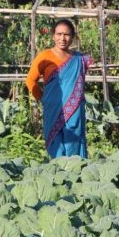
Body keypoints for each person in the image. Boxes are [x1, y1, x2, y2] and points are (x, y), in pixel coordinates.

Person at [25, 19, 92, 158]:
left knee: (74, 143)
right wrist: (43, 98)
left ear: (72, 37)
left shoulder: (78, 59)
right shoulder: (45, 56)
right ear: (53, 36)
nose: (62, 38)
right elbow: (30, 80)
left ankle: (75, 170)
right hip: (53, 108)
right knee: (56, 144)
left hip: (74, 111)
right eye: (59, 34)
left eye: (66, 35)